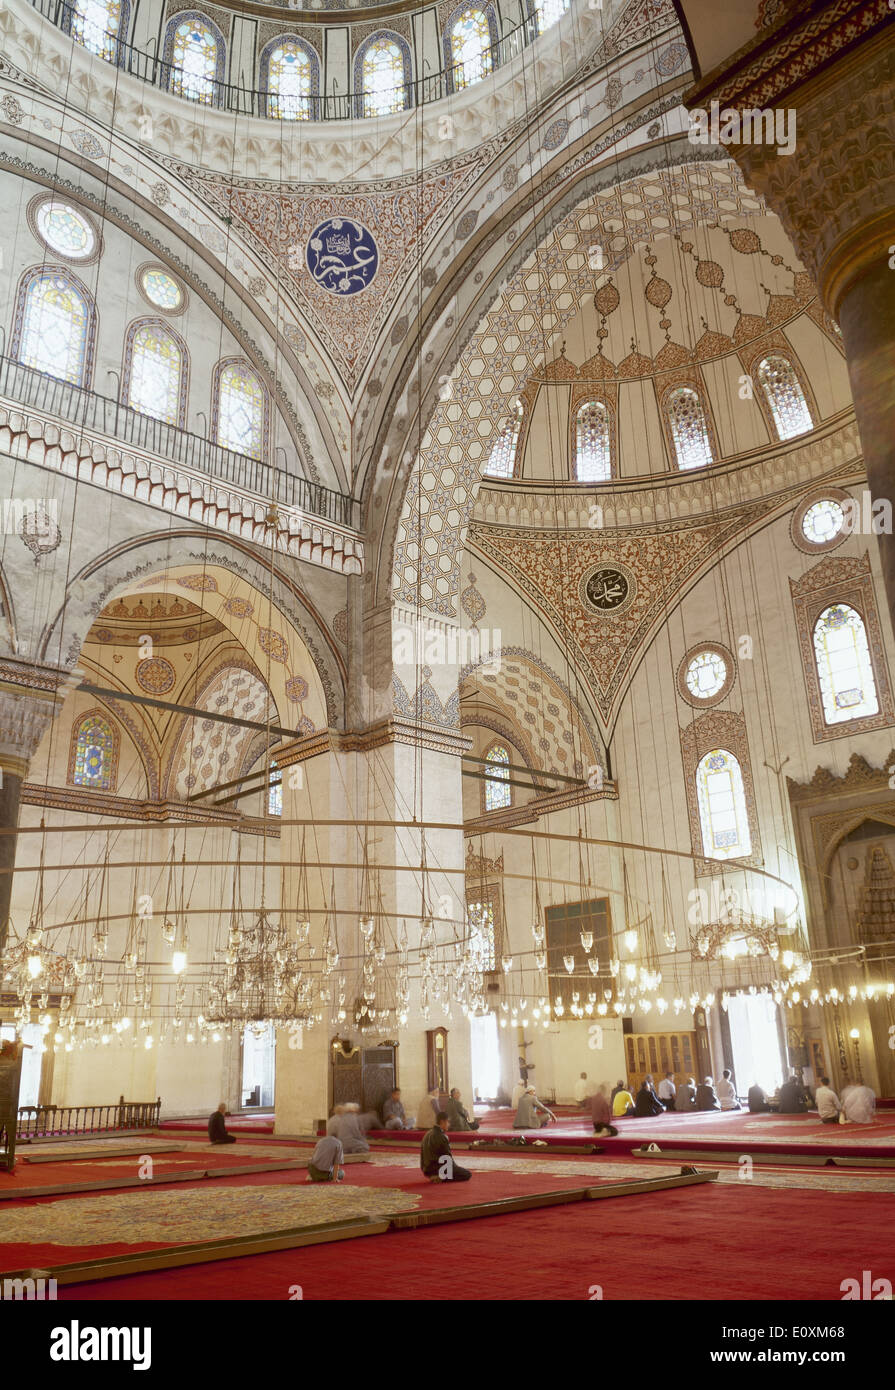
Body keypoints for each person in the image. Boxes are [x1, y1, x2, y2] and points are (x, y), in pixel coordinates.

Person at [420, 1112, 472, 1182]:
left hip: (426, 1170)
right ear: (442, 1122)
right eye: (448, 1122)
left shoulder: (427, 1133)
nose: (449, 1124)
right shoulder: (441, 1136)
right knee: (467, 1174)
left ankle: (437, 1175)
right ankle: (442, 1177)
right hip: (437, 1169)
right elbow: (447, 1159)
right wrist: (457, 1169)